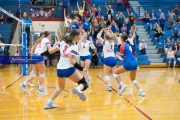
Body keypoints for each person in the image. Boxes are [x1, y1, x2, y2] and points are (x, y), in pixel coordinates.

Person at [41, 29, 89, 109]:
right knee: (84, 83)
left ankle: (49, 103)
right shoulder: (74, 47)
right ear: (76, 36)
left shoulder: (62, 43)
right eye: (80, 35)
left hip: (59, 69)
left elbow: (51, 50)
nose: (80, 37)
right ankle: (77, 89)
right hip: (68, 69)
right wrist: (82, 68)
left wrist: (42, 53)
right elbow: (72, 61)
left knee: (60, 87)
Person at [97, 28, 126, 92]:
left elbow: (98, 36)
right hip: (114, 59)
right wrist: (110, 30)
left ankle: (109, 86)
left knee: (106, 74)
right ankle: (121, 84)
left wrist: (101, 30)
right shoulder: (112, 42)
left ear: (105, 37)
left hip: (107, 59)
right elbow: (113, 36)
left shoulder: (104, 42)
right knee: (114, 73)